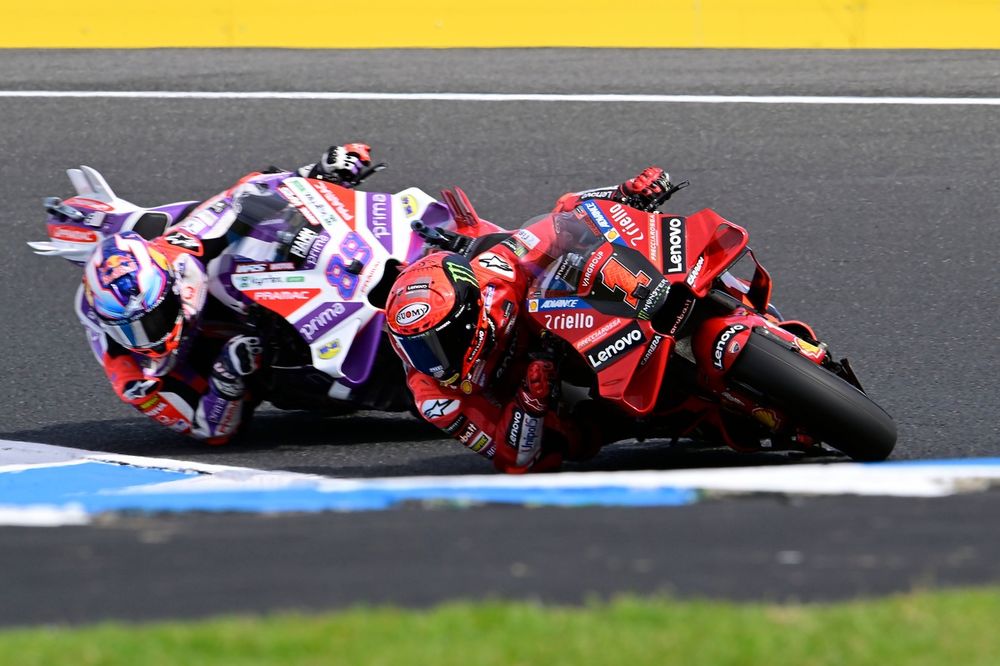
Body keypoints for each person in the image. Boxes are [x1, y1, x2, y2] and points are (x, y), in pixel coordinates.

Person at [76, 143, 375, 444]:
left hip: (225, 294)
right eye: (129, 330)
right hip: (218, 365)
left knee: (262, 224)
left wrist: (318, 173)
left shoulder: (179, 253)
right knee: (317, 391)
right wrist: (227, 378)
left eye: (154, 319)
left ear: (171, 285)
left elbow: (244, 194)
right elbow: (208, 429)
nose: (147, 337)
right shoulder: (134, 379)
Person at [384, 167, 672, 473]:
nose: (431, 363)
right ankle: (643, 420)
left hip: (573, 325)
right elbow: (513, 460)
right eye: (414, 348)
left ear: (468, 315)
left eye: (437, 344)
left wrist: (624, 195)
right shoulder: (434, 398)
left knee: (591, 247)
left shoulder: (493, 273)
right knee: (566, 443)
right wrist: (529, 403)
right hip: (547, 390)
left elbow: (563, 218)